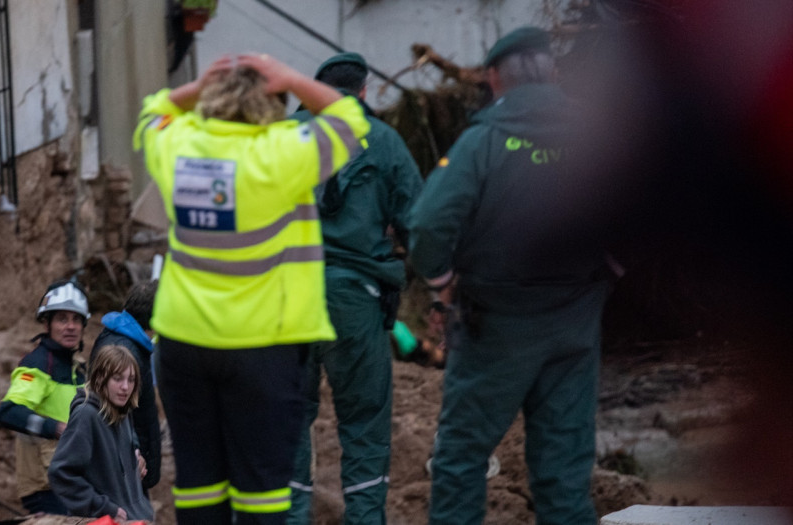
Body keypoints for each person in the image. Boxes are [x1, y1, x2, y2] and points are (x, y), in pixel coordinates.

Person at [133, 53, 370, 525]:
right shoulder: (286, 152)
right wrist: (294, 76)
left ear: (209, 103)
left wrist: (200, 84)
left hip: (184, 342)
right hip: (264, 347)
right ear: (274, 106)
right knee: (261, 491)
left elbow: (153, 112)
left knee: (198, 484)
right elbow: (349, 118)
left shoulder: (180, 146)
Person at [406, 27, 614, 524]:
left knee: (461, 459)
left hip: (493, 323)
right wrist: (609, 270)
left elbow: (428, 222)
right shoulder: (598, 132)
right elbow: (649, 205)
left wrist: (442, 283)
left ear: (495, 77)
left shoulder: (483, 141)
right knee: (564, 473)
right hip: (575, 321)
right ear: (554, 72)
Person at [286, 52, 422, 525]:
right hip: (357, 303)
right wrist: (441, 290)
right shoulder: (385, 142)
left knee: (287, 420)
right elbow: (419, 225)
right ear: (363, 91)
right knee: (364, 425)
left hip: (288, 300)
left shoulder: (283, 138)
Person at [0, 279, 90, 515]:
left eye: (76, 319)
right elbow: (9, 412)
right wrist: (55, 428)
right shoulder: (38, 363)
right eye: (62, 319)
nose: (70, 326)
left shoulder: (80, 369)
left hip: (76, 483)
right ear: (47, 324)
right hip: (46, 487)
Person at [48, 344, 155, 521]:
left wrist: (135, 454)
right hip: (106, 521)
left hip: (138, 518)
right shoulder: (86, 415)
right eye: (118, 379)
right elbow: (60, 472)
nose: (125, 387)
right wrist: (103, 507)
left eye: (131, 379)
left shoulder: (123, 410)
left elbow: (128, 442)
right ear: (100, 378)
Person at [89, 280, 161, 493]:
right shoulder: (124, 350)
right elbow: (110, 410)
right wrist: (133, 452)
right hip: (124, 471)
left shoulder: (128, 343)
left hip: (130, 468)